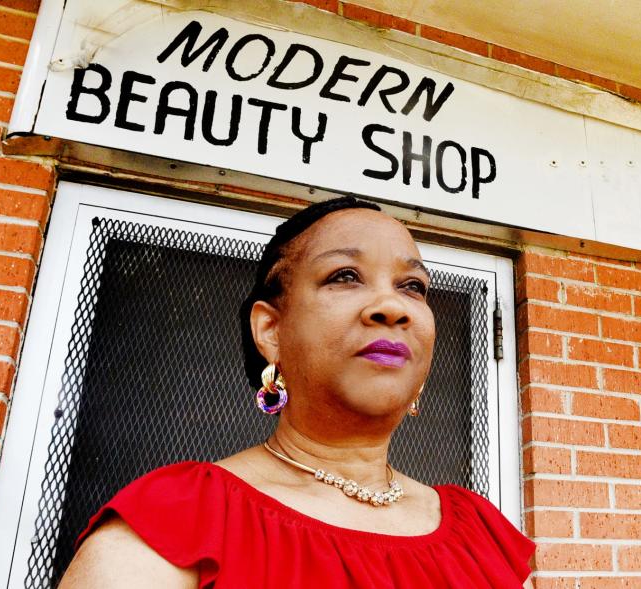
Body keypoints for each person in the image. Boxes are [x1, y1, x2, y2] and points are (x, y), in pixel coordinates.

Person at [59, 196, 536, 588]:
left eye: (413, 286)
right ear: (270, 330)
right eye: (344, 276)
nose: (393, 306)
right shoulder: (178, 522)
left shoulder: (483, 534)